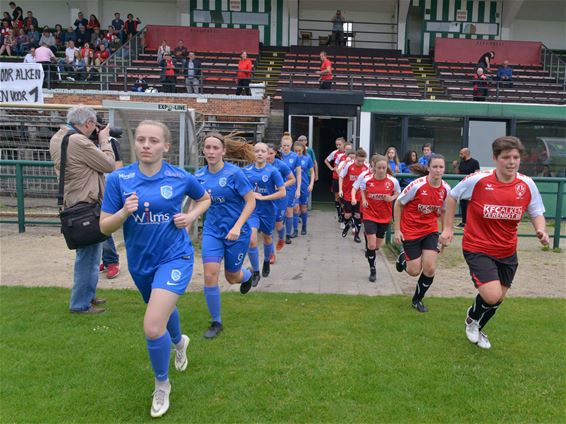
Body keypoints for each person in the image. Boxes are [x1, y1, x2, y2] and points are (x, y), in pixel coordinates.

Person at [100, 120, 211, 417]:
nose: (146, 145)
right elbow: (104, 225)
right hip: (140, 263)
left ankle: (162, 384)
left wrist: (190, 218)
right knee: (159, 312)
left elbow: (204, 198)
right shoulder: (118, 180)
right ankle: (179, 342)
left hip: (176, 258)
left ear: (166, 146)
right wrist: (124, 211)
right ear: (134, 143)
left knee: (151, 326)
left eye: (153, 141)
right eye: (141, 140)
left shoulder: (179, 176)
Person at [439, 136, 549, 350]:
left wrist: (541, 230)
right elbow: (452, 196)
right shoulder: (478, 180)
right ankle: (471, 318)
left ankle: (478, 328)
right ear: (495, 158)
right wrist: (448, 228)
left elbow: (537, 212)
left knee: (498, 300)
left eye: (516, 157)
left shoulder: (527, 184)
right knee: (491, 295)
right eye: (506, 157)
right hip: (478, 247)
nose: (511, 162)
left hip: (507, 250)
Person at [49, 105, 115, 314]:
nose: (96, 129)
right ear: (87, 124)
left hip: (74, 203)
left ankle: (88, 295)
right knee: (88, 256)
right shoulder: (77, 140)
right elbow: (108, 165)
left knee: (90, 254)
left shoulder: (60, 137)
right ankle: (80, 304)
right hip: (85, 205)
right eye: (94, 125)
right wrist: (104, 140)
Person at [194, 132, 256, 339]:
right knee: (210, 274)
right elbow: (197, 204)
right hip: (212, 232)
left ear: (223, 151)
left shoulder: (234, 174)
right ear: (203, 150)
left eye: (215, 148)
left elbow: (251, 202)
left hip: (236, 233)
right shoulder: (199, 176)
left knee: (231, 277)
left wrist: (237, 226)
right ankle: (216, 322)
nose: (211, 151)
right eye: (207, 147)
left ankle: (248, 275)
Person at [393, 154, 451, 313]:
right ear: (429, 168)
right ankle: (403, 259)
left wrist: (445, 231)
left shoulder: (446, 188)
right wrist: (397, 230)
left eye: (441, 167)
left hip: (430, 230)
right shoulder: (417, 185)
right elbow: (398, 204)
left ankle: (417, 300)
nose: (438, 170)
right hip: (410, 230)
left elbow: (444, 210)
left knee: (430, 268)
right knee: (413, 271)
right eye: (435, 167)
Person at [243, 142, 286, 284]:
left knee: (267, 238)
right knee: (252, 239)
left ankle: (267, 260)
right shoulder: (246, 171)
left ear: (268, 154)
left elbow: (282, 192)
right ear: (253, 154)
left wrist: (264, 197)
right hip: (252, 210)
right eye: (257, 151)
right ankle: (255, 271)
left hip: (268, 210)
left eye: (263, 151)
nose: (260, 153)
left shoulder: (273, 171)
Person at [356, 154, 400, 282]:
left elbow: (398, 193)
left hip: (384, 216)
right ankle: (373, 270)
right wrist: (364, 200)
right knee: (371, 244)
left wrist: (391, 198)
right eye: (379, 168)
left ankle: (370, 250)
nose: (381, 170)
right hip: (370, 214)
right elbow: (362, 189)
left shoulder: (392, 181)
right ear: (374, 167)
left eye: (384, 168)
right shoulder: (367, 179)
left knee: (376, 246)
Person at [267, 143, 296, 257]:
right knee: (268, 228)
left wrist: (281, 185)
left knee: (279, 225)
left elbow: (292, 179)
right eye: (267, 153)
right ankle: (271, 254)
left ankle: (281, 238)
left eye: (271, 153)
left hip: (280, 198)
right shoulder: (260, 166)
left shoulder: (281, 165)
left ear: (275, 154)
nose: (268, 156)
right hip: (266, 199)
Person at [339, 148, 369, 243]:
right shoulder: (349, 165)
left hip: (360, 195)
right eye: (359, 160)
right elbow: (341, 176)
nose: (361, 163)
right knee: (348, 215)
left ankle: (356, 235)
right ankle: (346, 225)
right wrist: (340, 189)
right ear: (355, 158)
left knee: (357, 215)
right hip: (348, 193)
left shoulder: (366, 167)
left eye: (363, 161)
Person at [279, 134, 302, 243]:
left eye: (287, 145)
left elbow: (298, 174)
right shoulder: (278, 156)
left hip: (290, 187)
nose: (285, 147)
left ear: (291, 145)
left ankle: (288, 234)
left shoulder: (295, 157)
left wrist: (298, 189)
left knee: (289, 210)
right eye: (284, 145)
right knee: (279, 211)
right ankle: (279, 232)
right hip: (278, 187)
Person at [293, 141, 315, 235]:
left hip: (304, 185)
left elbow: (312, 172)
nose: (297, 152)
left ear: (303, 150)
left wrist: (311, 184)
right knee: (295, 208)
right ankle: (295, 230)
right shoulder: (291, 158)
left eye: (299, 151)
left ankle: (304, 227)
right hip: (293, 185)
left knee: (303, 208)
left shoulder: (307, 158)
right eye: (296, 150)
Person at [455, 148, 480, 228]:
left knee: (471, 205)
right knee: (463, 204)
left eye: (461, 154)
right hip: (462, 186)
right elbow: (458, 174)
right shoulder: (461, 163)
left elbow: (477, 173)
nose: (460, 156)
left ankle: (471, 223)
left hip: (471, 187)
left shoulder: (475, 162)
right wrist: (455, 166)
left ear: (466, 154)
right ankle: (464, 222)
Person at [324, 137, 346, 222]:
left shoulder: (348, 153)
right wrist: (331, 168)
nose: (338, 146)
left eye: (340, 144)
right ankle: (339, 214)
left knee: (345, 197)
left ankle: (345, 214)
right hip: (336, 177)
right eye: (337, 144)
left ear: (344, 144)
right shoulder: (335, 153)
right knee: (337, 197)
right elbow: (326, 160)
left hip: (345, 179)